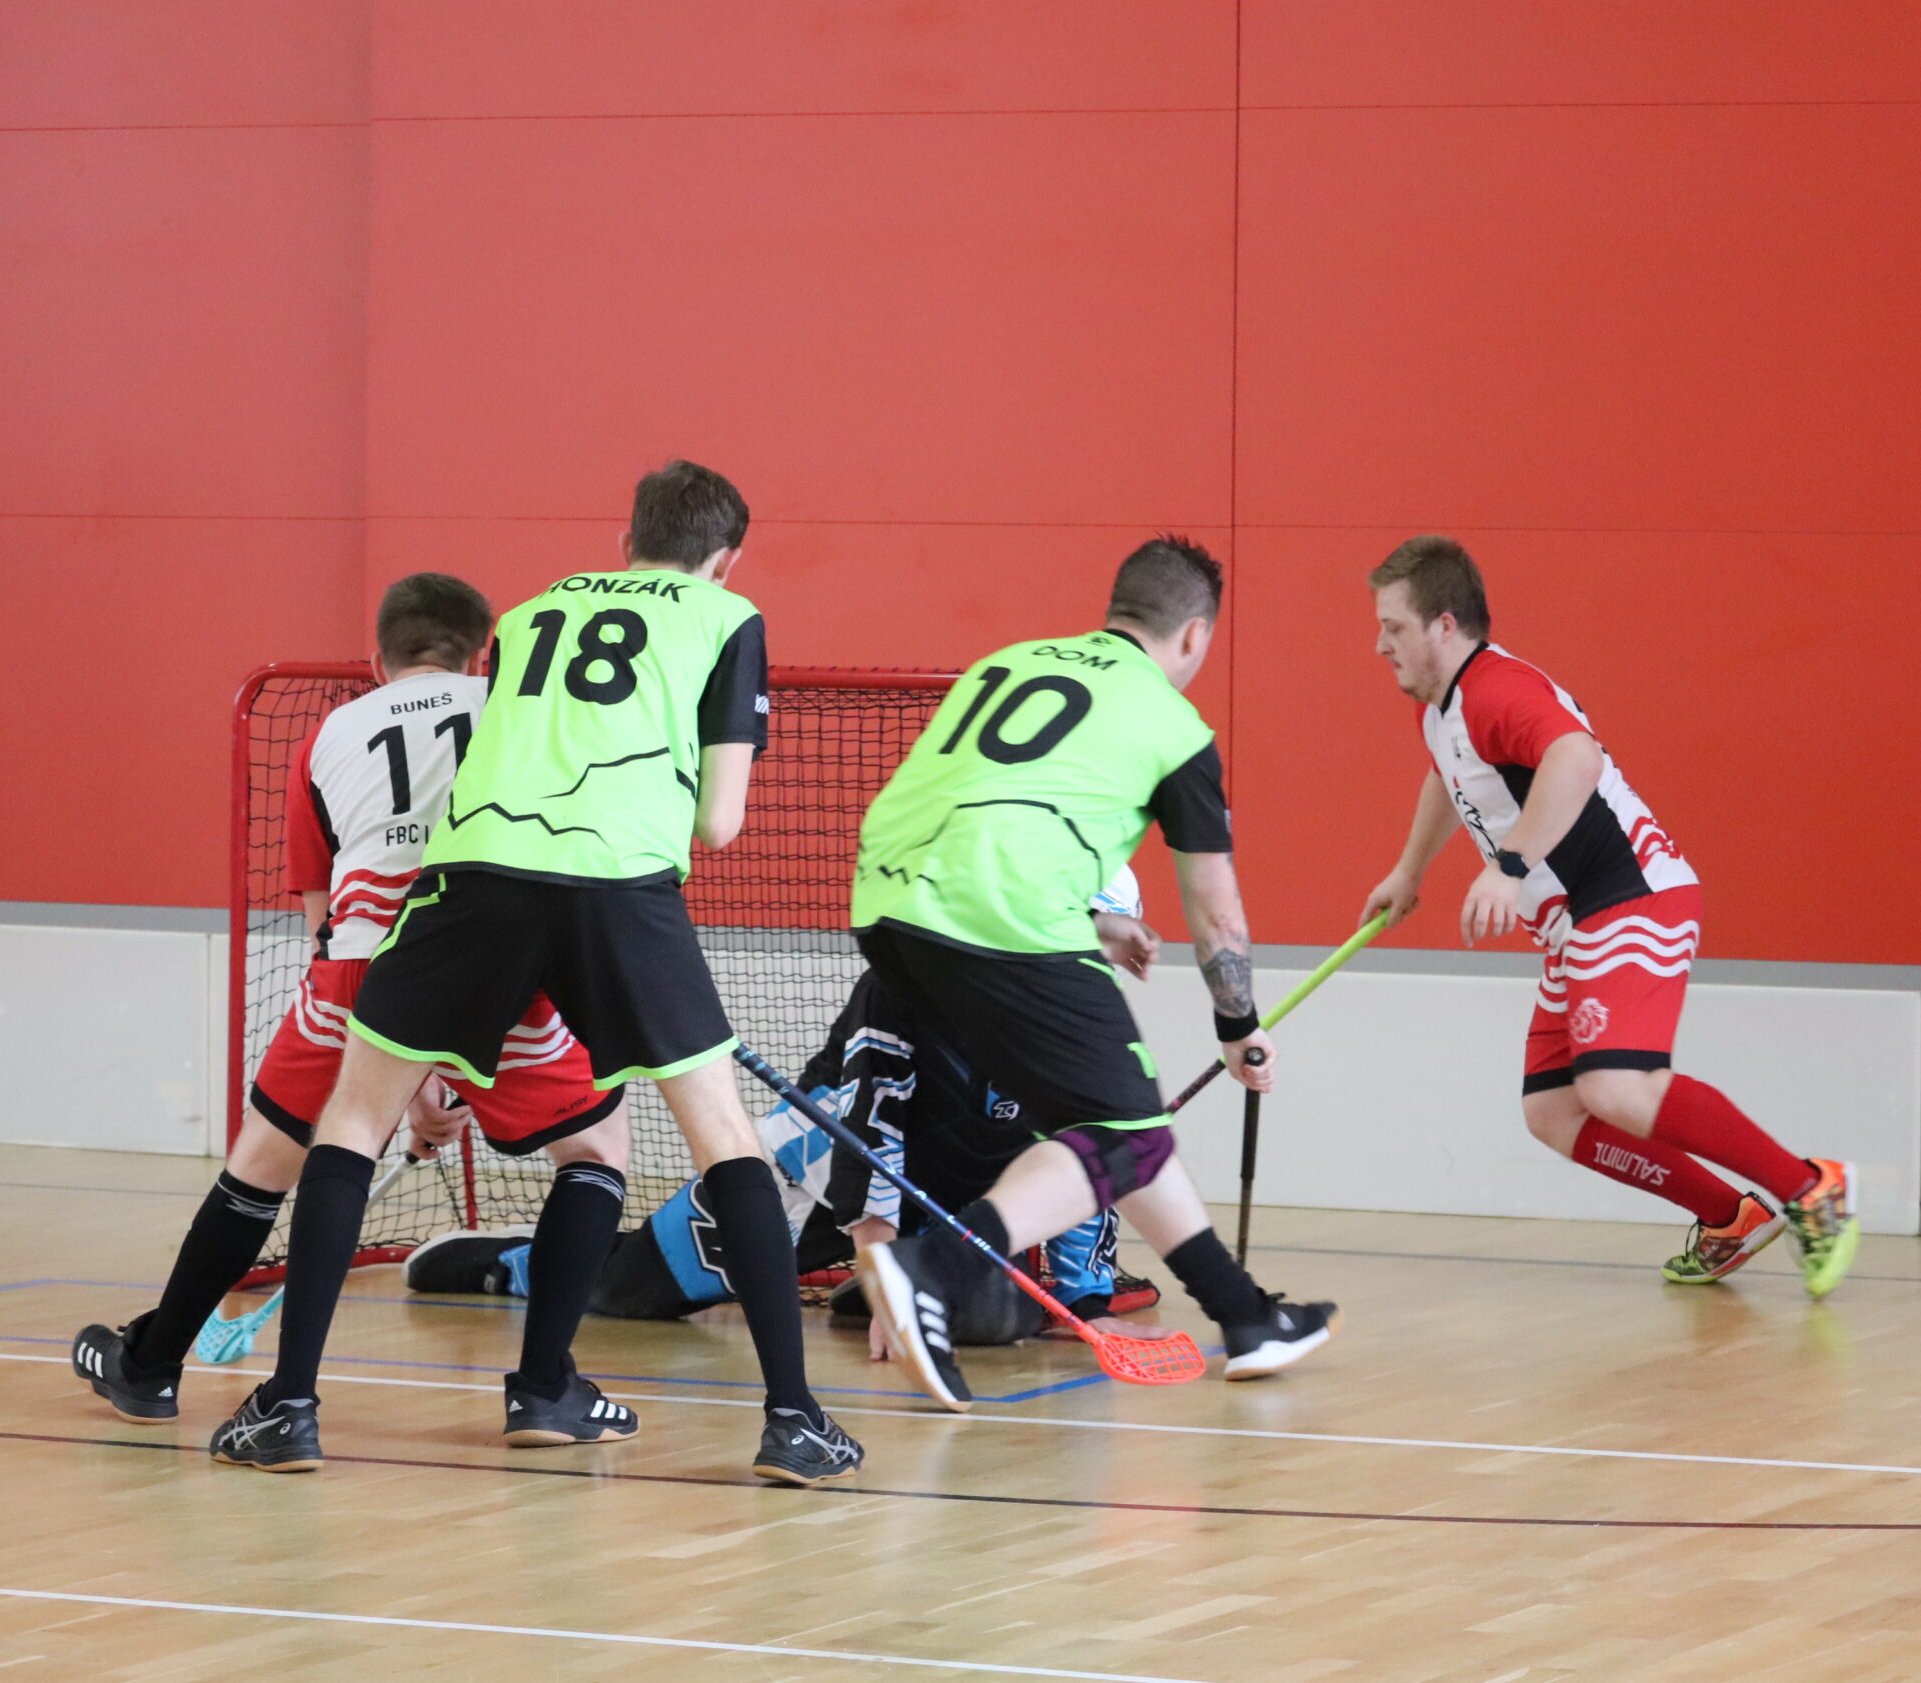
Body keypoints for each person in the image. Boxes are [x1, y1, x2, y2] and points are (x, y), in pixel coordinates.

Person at [200, 460, 862, 1486]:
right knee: (717, 1137)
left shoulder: (527, 613)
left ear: (625, 540)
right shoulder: (728, 616)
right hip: (619, 887)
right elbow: (720, 822)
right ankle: (793, 1421)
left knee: (353, 1120)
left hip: (473, 877)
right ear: (726, 560)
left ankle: (287, 1408)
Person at [70, 573, 627, 1435]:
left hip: (364, 969)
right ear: (482, 652)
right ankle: (545, 1388)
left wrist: (414, 1075)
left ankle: (150, 1366)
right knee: (594, 1150)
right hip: (506, 965)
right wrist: (446, 1068)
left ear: (377, 660)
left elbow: (324, 914)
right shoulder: (514, 708)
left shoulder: (329, 734)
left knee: (263, 1161)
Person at [848, 535, 1336, 1412]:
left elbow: (970, 812)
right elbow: (1216, 909)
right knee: (1127, 1134)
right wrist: (1237, 1023)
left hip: (887, 908)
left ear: (1117, 608)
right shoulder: (1174, 725)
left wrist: (1089, 921)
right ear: (1195, 634)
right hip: (1004, 914)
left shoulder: (1007, 662)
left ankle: (1245, 1315)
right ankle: (933, 1268)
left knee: (1120, 1124)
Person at [1357, 536, 1858, 1296]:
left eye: (1393, 627)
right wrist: (1409, 871)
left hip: (1631, 895)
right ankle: (1730, 1216)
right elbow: (1451, 779)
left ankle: (1811, 1187)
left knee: (1618, 1086)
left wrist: (1508, 865)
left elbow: (1577, 758)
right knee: (1554, 1112)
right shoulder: (1444, 713)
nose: (1380, 645)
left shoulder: (1496, 688)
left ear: (1445, 626)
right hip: (1575, 925)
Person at [406, 874, 1166, 1348]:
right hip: (817, 1176)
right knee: (625, 1296)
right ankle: (516, 1263)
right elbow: (869, 1134)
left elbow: (1093, 1157)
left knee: (990, 1320)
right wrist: (883, 1268)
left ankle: (879, 1280)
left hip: (949, 1206)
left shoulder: (1086, 1029)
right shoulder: (917, 986)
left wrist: (1086, 1301)